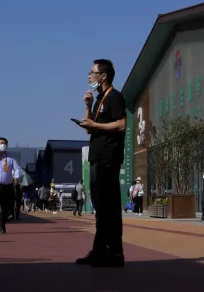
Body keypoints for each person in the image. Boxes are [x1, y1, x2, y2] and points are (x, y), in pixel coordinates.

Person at [76, 59, 127, 268]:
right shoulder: (97, 100)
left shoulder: (115, 96)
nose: (89, 76)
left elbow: (122, 124)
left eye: (92, 72)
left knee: (108, 207)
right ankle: (100, 250)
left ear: (103, 76)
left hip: (108, 158)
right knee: (100, 206)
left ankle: (113, 253)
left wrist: (96, 123)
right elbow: (90, 129)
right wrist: (88, 108)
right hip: (97, 158)